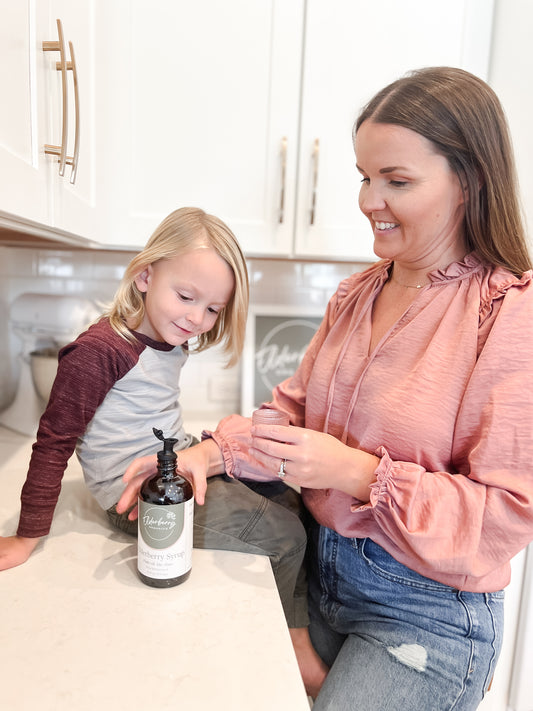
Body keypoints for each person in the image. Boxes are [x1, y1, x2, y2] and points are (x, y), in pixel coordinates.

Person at [116, 67, 533, 709]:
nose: (370, 200)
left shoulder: (509, 314)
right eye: (365, 177)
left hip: (424, 617)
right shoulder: (356, 295)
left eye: (397, 181)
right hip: (318, 575)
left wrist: (359, 473)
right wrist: (207, 455)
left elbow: (505, 517)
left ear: (468, 182)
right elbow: (288, 417)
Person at [0, 206, 309, 634]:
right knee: (286, 536)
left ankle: (308, 625)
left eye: (213, 309)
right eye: (186, 298)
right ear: (145, 277)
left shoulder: (168, 340)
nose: (196, 319)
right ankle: (296, 643)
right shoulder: (100, 351)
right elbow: (53, 442)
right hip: (136, 499)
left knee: (293, 503)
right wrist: (26, 535)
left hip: (176, 465)